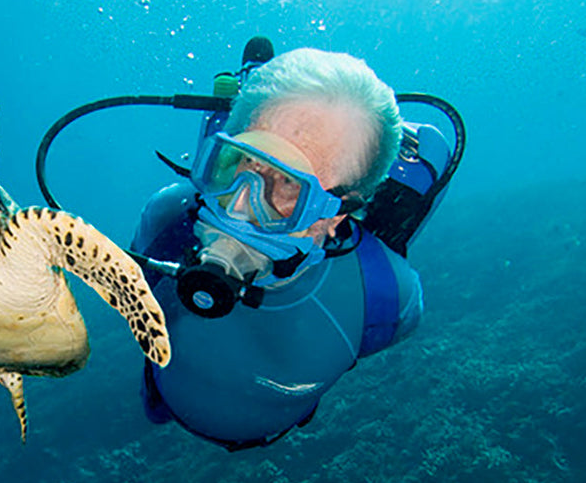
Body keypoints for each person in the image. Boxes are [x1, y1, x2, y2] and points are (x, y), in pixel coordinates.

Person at [130, 47, 422, 451]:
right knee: (154, 407)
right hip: (168, 397)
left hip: (268, 431)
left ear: (336, 215)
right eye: (238, 163)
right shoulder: (166, 218)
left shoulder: (387, 294)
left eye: (287, 186)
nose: (239, 205)